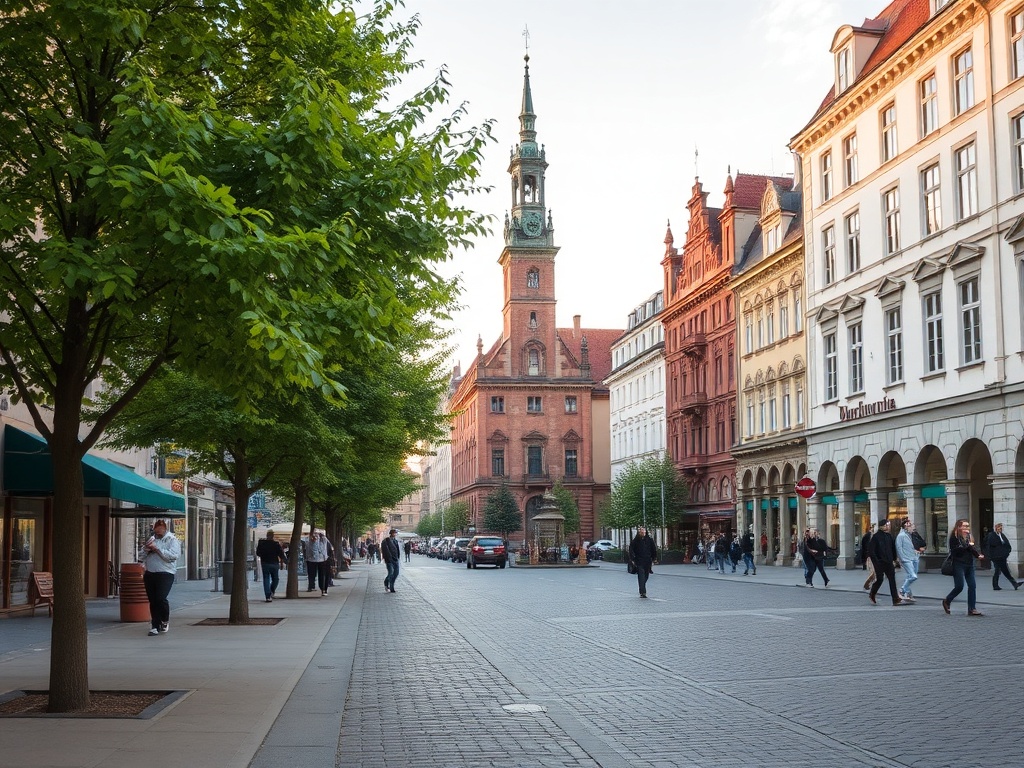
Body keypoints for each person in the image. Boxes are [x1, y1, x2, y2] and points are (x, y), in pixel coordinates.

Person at [139, 519, 181, 636]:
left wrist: (157, 549)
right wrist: (147, 549)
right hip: (150, 573)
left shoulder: (172, 540)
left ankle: (164, 619)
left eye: (160, 530)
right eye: (156, 530)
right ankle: (154, 626)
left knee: (160, 598)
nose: (158, 533)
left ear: (165, 529)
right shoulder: (152, 540)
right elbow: (141, 557)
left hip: (166, 573)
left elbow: (173, 556)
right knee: (153, 600)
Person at [943, 519, 985, 616]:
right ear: (959, 527)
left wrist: (977, 555)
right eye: (965, 526)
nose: (967, 528)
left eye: (968, 526)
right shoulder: (954, 537)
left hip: (969, 564)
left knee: (972, 586)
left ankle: (972, 609)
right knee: (959, 586)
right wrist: (967, 545)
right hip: (958, 564)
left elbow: (971, 548)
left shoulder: (968, 536)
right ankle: (947, 600)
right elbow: (956, 551)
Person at [868, 519, 910, 606]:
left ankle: (895, 599)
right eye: (887, 525)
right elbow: (872, 551)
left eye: (889, 525)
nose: (888, 526)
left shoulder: (889, 536)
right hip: (879, 562)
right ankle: (872, 593)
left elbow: (893, 548)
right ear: (882, 526)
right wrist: (876, 561)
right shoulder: (876, 537)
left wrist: (895, 559)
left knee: (892, 580)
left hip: (889, 561)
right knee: (880, 579)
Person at [984, 522, 1021, 590]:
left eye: (1001, 528)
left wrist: (1007, 552)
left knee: (1003, 571)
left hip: (1002, 557)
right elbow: (989, 545)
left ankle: (1014, 584)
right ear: (995, 528)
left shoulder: (1002, 535)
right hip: (996, 557)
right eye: (998, 528)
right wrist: (990, 556)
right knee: (1000, 571)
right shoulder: (992, 535)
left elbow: (1007, 544)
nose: (1000, 529)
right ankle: (997, 585)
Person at [256, 530, 287, 602]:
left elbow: (258, 553)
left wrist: (263, 556)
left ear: (267, 536)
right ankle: (271, 591)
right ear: (272, 536)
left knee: (266, 579)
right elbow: (280, 553)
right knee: (276, 579)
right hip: (274, 563)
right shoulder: (275, 544)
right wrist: (286, 561)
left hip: (265, 563)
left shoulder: (262, 543)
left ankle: (268, 596)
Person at [628, 525, 658, 598]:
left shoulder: (650, 540)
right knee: (641, 575)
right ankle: (643, 592)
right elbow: (631, 550)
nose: (642, 532)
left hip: (647, 561)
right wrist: (633, 559)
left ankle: (642, 586)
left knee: (646, 576)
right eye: (641, 531)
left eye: (643, 530)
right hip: (639, 561)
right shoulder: (635, 541)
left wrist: (654, 558)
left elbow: (653, 549)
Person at [895, 518, 920, 602]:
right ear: (906, 526)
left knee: (910, 576)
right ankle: (902, 590)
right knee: (913, 576)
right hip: (907, 559)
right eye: (911, 525)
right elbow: (899, 548)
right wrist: (902, 558)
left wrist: (916, 552)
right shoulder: (901, 535)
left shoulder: (911, 535)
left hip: (914, 557)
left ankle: (908, 593)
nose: (913, 527)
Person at [305, 529, 330, 595]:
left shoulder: (323, 540)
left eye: (317, 534)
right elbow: (307, 548)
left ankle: (323, 589)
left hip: (322, 559)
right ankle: (311, 586)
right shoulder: (308, 541)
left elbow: (326, 542)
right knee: (311, 574)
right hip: (311, 560)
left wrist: (321, 535)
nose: (315, 535)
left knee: (322, 575)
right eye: (314, 534)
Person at [382, 528, 401, 592]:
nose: (395, 534)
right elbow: (384, 550)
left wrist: (398, 557)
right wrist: (387, 558)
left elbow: (397, 550)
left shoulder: (395, 541)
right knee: (391, 573)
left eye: (395, 533)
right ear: (391, 533)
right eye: (394, 533)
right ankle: (386, 582)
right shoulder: (386, 541)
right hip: (389, 560)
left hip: (395, 559)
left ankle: (392, 586)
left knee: (396, 573)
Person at [861, 524, 876, 589]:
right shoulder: (868, 536)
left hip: (872, 556)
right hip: (870, 556)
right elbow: (864, 547)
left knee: (874, 571)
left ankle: (871, 583)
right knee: (873, 571)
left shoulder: (873, 536)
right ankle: (870, 583)